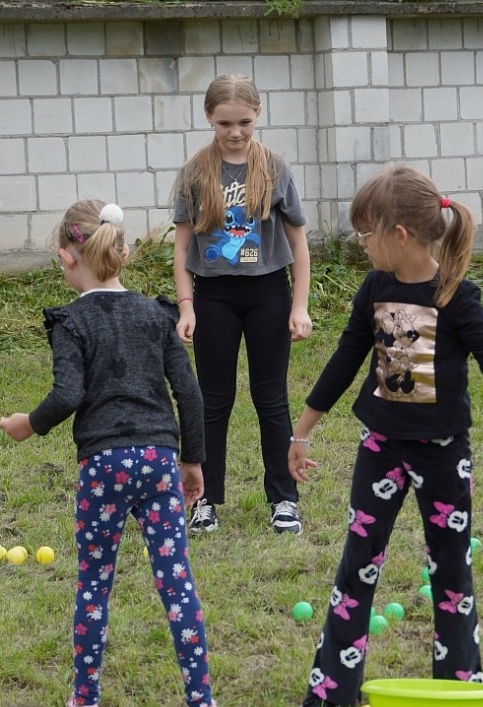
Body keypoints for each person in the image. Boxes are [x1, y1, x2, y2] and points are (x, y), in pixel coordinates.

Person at [287, 165, 483, 707]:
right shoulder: (375, 290)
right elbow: (346, 359)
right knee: (357, 567)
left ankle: (462, 687)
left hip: (442, 456)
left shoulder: (456, 298)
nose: (359, 244)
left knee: (451, 573)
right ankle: (330, 690)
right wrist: (302, 429)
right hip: (380, 450)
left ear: (398, 235)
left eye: (365, 233)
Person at [0, 200, 218, 707]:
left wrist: (31, 423)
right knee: (177, 583)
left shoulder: (71, 321)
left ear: (65, 257)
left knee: (94, 581)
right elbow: (189, 395)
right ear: (120, 252)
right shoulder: (156, 314)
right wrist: (192, 461)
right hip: (160, 461)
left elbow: (68, 392)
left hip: (102, 467)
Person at [170, 73, 313, 536]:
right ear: (209, 118)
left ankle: (284, 499)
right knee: (213, 400)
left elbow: (299, 244)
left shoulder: (274, 168)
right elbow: (182, 248)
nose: (235, 131)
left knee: (270, 397)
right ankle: (203, 498)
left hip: (267, 293)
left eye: (244, 122)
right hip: (214, 297)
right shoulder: (195, 172)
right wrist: (187, 306)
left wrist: (299, 306)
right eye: (225, 122)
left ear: (258, 116)